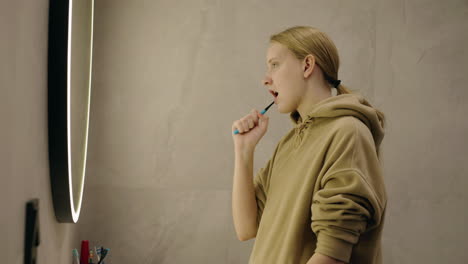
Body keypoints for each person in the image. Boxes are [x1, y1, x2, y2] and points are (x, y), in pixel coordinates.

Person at [231, 26, 387, 264]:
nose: (266, 78)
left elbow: (332, 254)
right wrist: (243, 151)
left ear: (307, 65)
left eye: (274, 64)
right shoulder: (289, 144)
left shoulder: (348, 133)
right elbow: (246, 228)